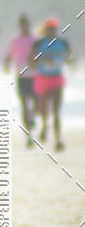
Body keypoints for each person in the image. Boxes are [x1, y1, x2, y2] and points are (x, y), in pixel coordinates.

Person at [30, 17, 72, 151]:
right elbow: (31, 61)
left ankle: (58, 140)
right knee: (43, 109)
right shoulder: (39, 43)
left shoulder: (63, 43)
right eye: (49, 28)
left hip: (56, 78)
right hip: (43, 78)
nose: (52, 31)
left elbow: (70, 58)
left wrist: (68, 59)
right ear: (46, 29)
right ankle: (44, 125)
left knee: (56, 111)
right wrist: (43, 59)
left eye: (54, 28)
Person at [4, 14, 36, 146]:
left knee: (36, 104)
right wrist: (6, 64)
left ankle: (32, 119)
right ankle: (29, 135)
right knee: (24, 105)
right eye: (22, 25)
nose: (24, 27)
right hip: (21, 77)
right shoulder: (15, 41)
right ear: (19, 26)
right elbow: (9, 56)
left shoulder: (35, 40)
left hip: (36, 76)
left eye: (26, 24)